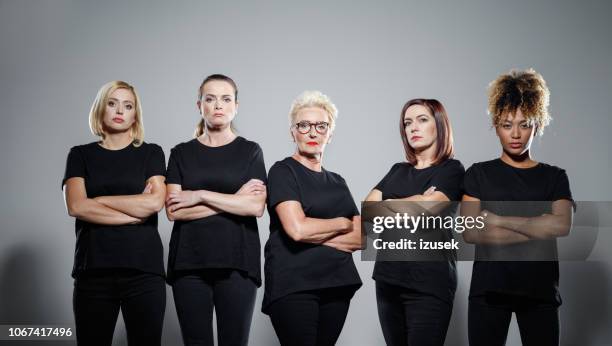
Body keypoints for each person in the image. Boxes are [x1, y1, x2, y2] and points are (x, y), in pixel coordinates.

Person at [461, 68, 574, 346]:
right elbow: (471, 231)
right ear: (496, 126)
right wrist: (537, 226)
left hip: (540, 293)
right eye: (507, 124)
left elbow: (561, 225)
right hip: (489, 292)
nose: (516, 134)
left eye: (524, 124)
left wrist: (498, 220)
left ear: (538, 125)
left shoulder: (554, 176)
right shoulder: (479, 173)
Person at [62, 80, 167, 346]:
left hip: (144, 271)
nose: (119, 110)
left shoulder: (151, 153)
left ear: (135, 114)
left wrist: (100, 200)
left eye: (128, 105)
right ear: (101, 109)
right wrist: (132, 214)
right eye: (112, 103)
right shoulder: (80, 155)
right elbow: (76, 206)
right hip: (93, 271)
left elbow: (155, 203)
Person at [165, 74, 266, 346]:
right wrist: (234, 200)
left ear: (236, 106)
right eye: (210, 99)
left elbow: (255, 206)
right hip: (189, 264)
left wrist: (198, 195)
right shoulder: (181, 153)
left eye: (226, 98)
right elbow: (174, 210)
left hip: (238, 263)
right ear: (200, 105)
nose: (218, 105)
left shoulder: (250, 151)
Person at [263, 91, 362, 346]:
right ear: (292, 132)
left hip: (337, 284)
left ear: (331, 133)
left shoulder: (338, 181)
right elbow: (296, 230)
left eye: (321, 126)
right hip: (294, 284)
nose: (312, 132)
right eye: (304, 125)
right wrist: (341, 224)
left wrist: (313, 229)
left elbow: (361, 237)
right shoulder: (282, 171)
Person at [364, 98, 464, 346]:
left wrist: (390, 204)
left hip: (430, 283)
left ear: (439, 125)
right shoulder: (397, 170)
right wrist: (417, 198)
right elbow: (367, 212)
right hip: (388, 280)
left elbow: (428, 210)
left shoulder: (452, 170)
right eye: (407, 123)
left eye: (422, 120)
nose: (413, 128)